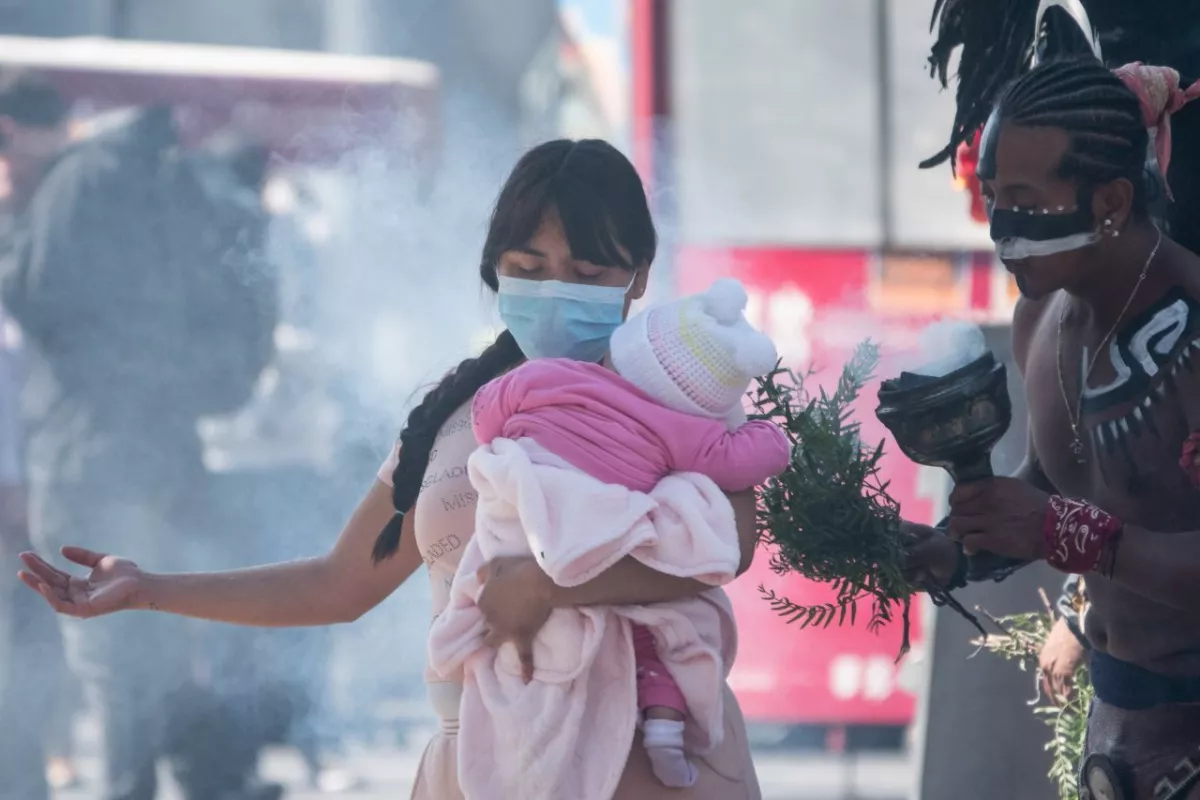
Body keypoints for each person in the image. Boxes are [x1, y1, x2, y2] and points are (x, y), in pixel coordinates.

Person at [19, 138, 765, 800]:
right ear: (495, 273)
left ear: (637, 277)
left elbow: (728, 544)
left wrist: (552, 583)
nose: (553, 288)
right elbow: (339, 584)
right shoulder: (451, 414)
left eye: (587, 269)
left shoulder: (673, 389)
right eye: (527, 268)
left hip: (642, 761)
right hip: (473, 766)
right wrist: (148, 590)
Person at [903, 58, 1200, 799]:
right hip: (1118, 728)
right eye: (994, 197)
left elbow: (1065, 519)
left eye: (1027, 202)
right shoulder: (1044, 315)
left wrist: (1068, 535)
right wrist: (959, 550)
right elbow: (1056, 478)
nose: (1003, 227)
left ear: (1110, 200)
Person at [0, 71, 279, 800]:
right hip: (169, 456)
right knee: (158, 659)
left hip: (91, 464)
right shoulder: (157, 180)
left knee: (114, 670)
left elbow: (29, 292)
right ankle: (215, 785)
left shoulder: (72, 190)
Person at [428, 276, 788, 794]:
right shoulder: (685, 432)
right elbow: (750, 460)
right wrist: (755, 427)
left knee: (521, 642)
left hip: (521, 525)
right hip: (600, 550)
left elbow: (488, 418)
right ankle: (665, 716)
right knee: (658, 627)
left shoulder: (544, 380)